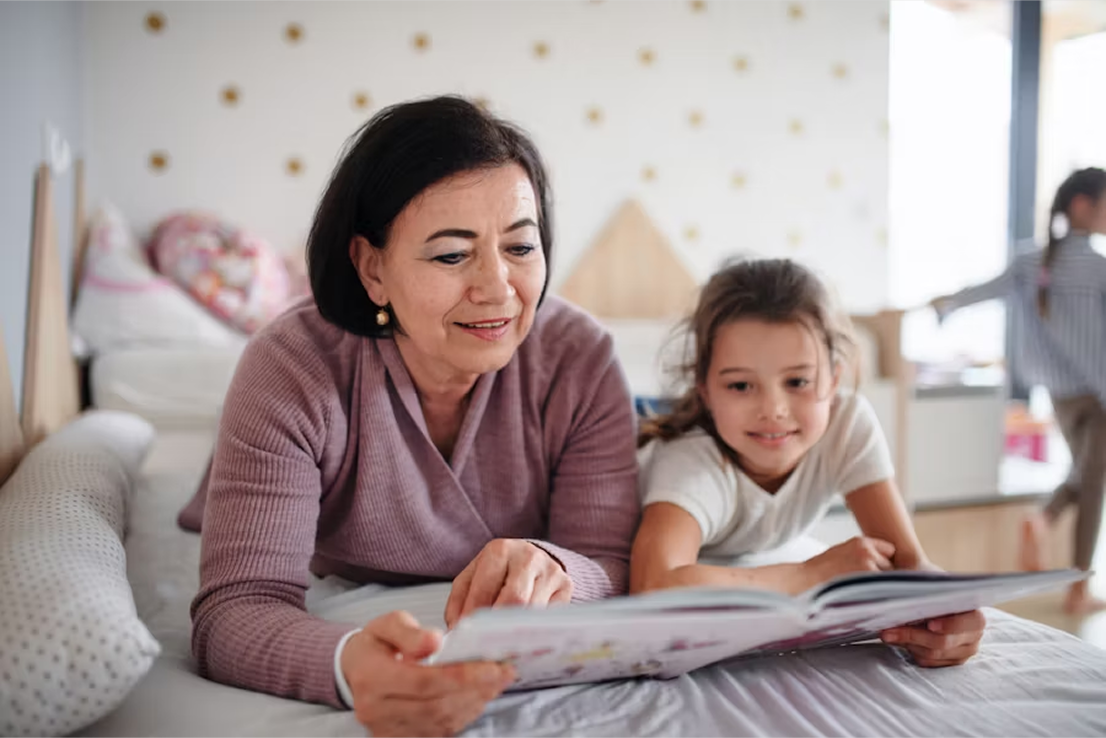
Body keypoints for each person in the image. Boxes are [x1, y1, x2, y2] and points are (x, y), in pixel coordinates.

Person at [180, 96, 640, 736]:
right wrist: (347, 665)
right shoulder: (293, 366)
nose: (497, 287)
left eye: (520, 246)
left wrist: (561, 572)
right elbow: (237, 608)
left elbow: (612, 562)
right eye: (452, 255)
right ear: (372, 269)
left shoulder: (579, 358)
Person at [630, 258, 986, 668]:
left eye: (797, 381)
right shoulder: (691, 460)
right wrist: (811, 573)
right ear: (705, 390)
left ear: (834, 381)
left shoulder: (847, 421)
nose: (774, 410)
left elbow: (910, 564)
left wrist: (947, 618)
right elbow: (654, 585)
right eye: (741, 385)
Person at [932, 166, 1106, 615]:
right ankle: (1077, 588)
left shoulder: (1030, 261)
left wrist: (945, 304)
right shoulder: (1096, 268)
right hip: (1098, 392)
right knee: (1093, 484)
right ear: (1083, 206)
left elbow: (984, 291)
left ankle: (1043, 518)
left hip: (1059, 394)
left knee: (1087, 474)